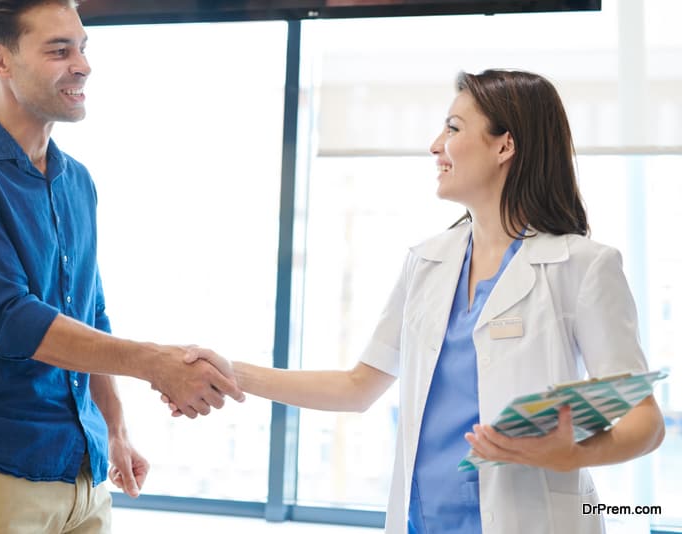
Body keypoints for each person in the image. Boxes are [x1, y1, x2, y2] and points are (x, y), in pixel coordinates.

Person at [169, 69, 666, 533]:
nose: (436, 146)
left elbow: (645, 422)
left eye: (452, 128)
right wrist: (231, 371)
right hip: (422, 519)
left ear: (505, 145)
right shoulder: (428, 261)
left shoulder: (581, 265)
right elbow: (357, 387)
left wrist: (571, 455)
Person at [0, 1, 244, 533]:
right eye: (59, 50)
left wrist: (114, 429)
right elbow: (13, 322)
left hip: (82, 479)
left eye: (82, 47)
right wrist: (155, 362)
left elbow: (91, 313)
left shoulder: (76, 181)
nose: (82, 65)